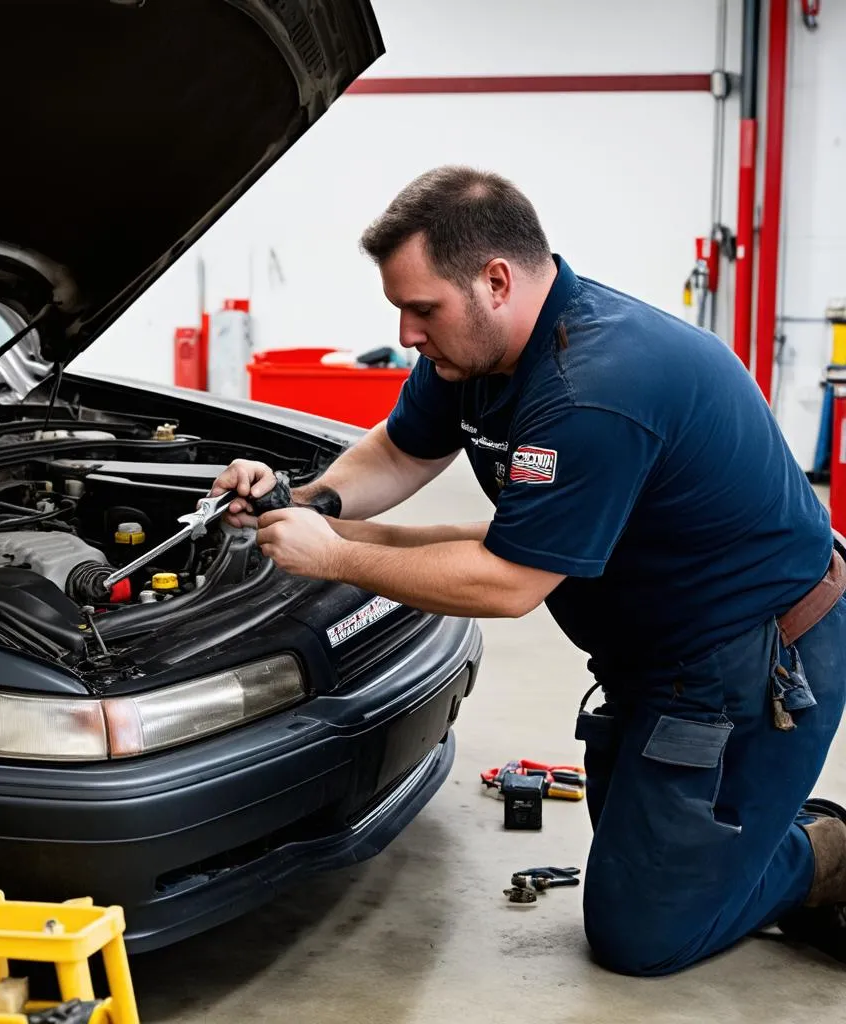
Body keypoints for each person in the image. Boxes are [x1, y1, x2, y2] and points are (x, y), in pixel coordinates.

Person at [208, 166, 846, 976]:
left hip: (750, 667)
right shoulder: (477, 355)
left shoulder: (593, 388)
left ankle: (822, 851)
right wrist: (313, 499)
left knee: (641, 937)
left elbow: (509, 585)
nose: (407, 332)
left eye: (422, 308)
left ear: (496, 280)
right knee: (649, 871)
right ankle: (741, 846)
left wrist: (333, 556)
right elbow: (403, 450)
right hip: (659, 659)